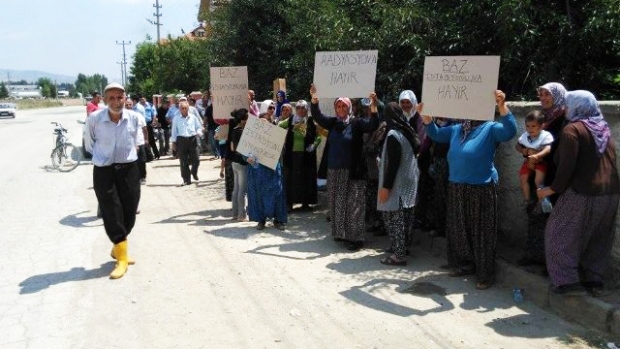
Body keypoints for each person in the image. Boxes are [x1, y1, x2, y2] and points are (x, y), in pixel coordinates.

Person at [422, 90, 517, 290]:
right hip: (457, 185)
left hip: (481, 187)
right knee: (459, 228)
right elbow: (436, 135)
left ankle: (485, 274)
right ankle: (464, 264)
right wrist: (428, 119)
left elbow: (509, 132)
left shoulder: (490, 128)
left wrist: (502, 106)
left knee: (482, 231)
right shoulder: (458, 128)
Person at [537, 90, 620, 296]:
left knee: (558, 233)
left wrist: (551, 189)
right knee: (598, 236)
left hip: (581, 191)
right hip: (610, 192)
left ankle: (567, 282)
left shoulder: (572, 130)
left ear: (576, 107)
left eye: (567, 104)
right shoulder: (602, 128)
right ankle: (593, 279)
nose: (564, 108)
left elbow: (567, 167)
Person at [310, 84, 379, 251]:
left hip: (354, 171)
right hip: (335, 171)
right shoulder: (333, 123)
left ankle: (356, 239)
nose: (341, 109)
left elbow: (373, 125)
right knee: (337, 203)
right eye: (338, 106)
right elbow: (318, 116)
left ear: (349, 108)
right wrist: (314, 99)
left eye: (344, 106)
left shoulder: (357, 124)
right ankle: (341, 233)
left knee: (354, 205)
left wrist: (374, 106)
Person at [84, 82, 142, 279]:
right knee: (111, 211)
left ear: (125, 98)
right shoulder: (94, 119)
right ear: (104, 99)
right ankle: (122, 257)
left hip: (129, 170)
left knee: (130, 211)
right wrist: (104, 157)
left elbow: (137, 143)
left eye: (120, 97)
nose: (116, 102)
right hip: (104, 171)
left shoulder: (134, 118)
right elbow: (90, 144)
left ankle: (117, 247)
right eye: (112, 98)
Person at [516, 82, 568, 266]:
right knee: (534, 213)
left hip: (552, 177)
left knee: (552, 220)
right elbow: (524, 142)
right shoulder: (540, 117)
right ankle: (533, 255)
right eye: (542, 94)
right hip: (534, 174)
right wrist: (526, 152)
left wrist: (540, 154)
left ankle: (551, 263)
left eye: (548, 95)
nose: (544, 98)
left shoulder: (565, 120)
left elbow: (559, 149)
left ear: (558, 96)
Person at [377, 102, 421, 266]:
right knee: (406, 217)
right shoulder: (407, 130)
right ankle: (403, 247)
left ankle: (399, 255)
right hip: (410, 180)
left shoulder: (393, 134)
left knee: (393, 217)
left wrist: (386, 187)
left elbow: (393, 163)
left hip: (398, 182)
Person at [246, 113, 288, 230]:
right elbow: (245, 152)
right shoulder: (251, 137)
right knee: (259, 197)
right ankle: (261, 220)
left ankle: (278, 220)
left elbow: (281, 152)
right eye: (260, 123)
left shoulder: (275, 137)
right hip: (257, 173)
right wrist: (247, 158)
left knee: (277, 195)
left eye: (265, 123)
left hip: (273, 172)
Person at [279, 100, 321, 211]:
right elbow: (277, 125)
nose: (301, 110)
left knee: (306, 179)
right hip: (291, 155)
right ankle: (289, 204)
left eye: (303, 108)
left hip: (306, 156)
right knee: (291, 179)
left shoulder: (311, 121)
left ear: (307, 109)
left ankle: (305, 203)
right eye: (298, 108)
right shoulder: (290, 120)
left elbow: (319, 136)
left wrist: (314, 145)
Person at [516, 110, 554, 204]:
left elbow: (548, 148)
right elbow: (517, 145)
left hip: (540, 162)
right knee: (523, 178)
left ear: (542, 126)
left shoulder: (545, 136)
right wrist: (522, 150)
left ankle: (542, 201)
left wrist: (538, 155)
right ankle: (527, 199)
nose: (530, 129)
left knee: (538, 181)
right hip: (528, 161)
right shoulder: (525, 136)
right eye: (528, 126)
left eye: (533, 126)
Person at [170, 101, 203, 185]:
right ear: (179, 109)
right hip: (181, 140)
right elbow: (174, 131)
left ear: (188, 108)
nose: (184, 110)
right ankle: (186, 180)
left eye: (185, 108)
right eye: (182, 108)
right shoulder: (176, 118)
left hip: (192, 139)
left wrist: (199, 132)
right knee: (183, 161)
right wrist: (173, 143)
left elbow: (199, 127)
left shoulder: (193, 117)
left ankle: (194, 172)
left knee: (196, 159)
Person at [229, 109, 249, 221]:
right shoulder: (242, 131)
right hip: (242, 162)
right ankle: (242, 215)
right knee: (243, 190)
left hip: (234, 162)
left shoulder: (234, 130)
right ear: (242, 120)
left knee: (236, 189)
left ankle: (235, 213)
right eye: (247, 118)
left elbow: (232, 147)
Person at [124, 99, 148, 185]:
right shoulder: (121, 116)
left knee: (141, 161)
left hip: (139, 141)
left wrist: (146, 139)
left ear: (132, 105)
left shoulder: (138, 115)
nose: (128, 106)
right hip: (127, 143)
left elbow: (144, 129)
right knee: (129, 162)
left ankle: (142, 177)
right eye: (126, 105)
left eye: (130, 105)